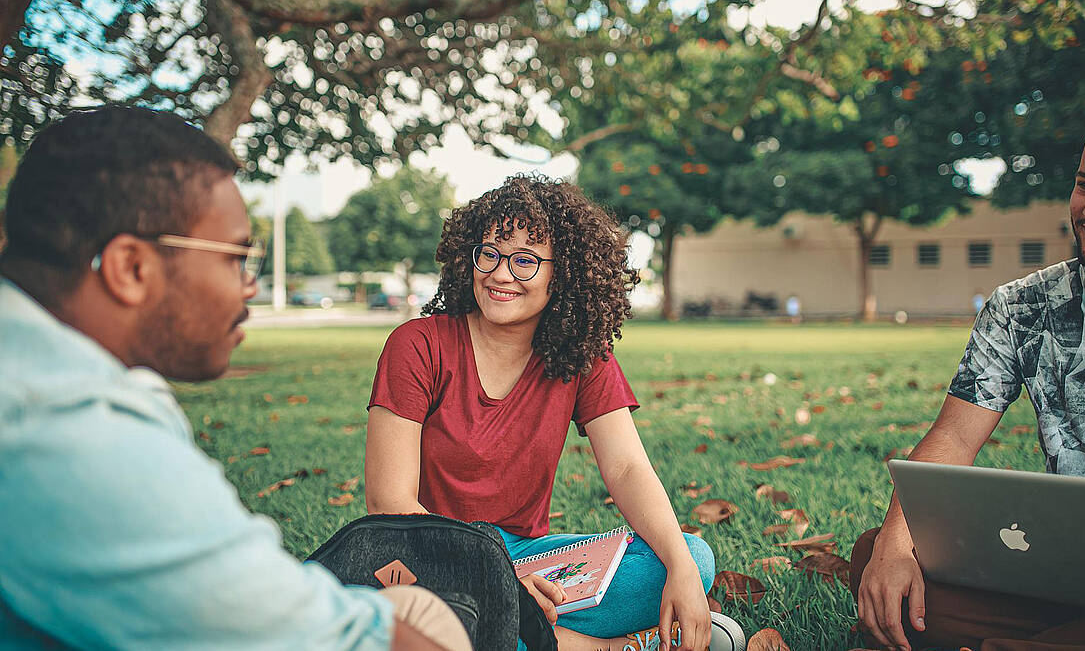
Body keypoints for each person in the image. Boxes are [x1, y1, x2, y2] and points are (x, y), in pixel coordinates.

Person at [0, 106, 469, 651]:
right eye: (236, 258)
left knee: (411, 604)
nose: (248, 286)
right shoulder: (68, 430)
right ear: (132, 268)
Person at [362, 176, 738, 651]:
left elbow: (626, 468)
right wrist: (499, 581)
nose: (500, 275)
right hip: (428, 559)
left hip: (529, 558)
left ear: (563, 274)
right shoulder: (417, 345)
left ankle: (521, 633)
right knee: (428, 620)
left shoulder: (582, 354)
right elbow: (389, 505)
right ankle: (614, 647)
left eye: (525, 260)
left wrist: (682, 571)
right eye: (491, 253)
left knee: (692, 557)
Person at [851, 91, 1085, 651]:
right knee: (880, 566)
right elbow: (953, 436)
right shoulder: (1022, 306)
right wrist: (897, 546)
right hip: (1067, 575)